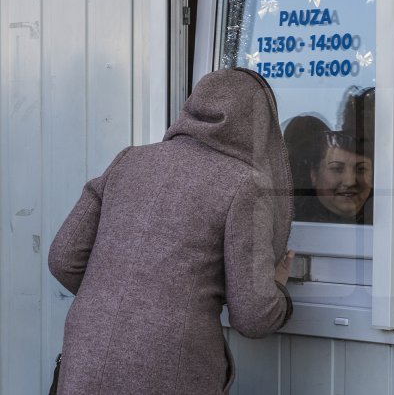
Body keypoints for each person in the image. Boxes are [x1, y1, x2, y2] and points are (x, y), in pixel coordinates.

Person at [48, 68, 294, 394]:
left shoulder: (129, 160)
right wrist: (279, 291)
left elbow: (63, 258)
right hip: (169, 369)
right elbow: (253, 316)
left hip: (86, 355)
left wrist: (126, 296)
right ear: (261, 124)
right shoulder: (245, 183)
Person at [284, 87, 375, 224]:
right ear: (313, 174)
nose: (350, 181)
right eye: (337, 168)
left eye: (361, 169)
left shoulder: (384, 211)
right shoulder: (293, 221)